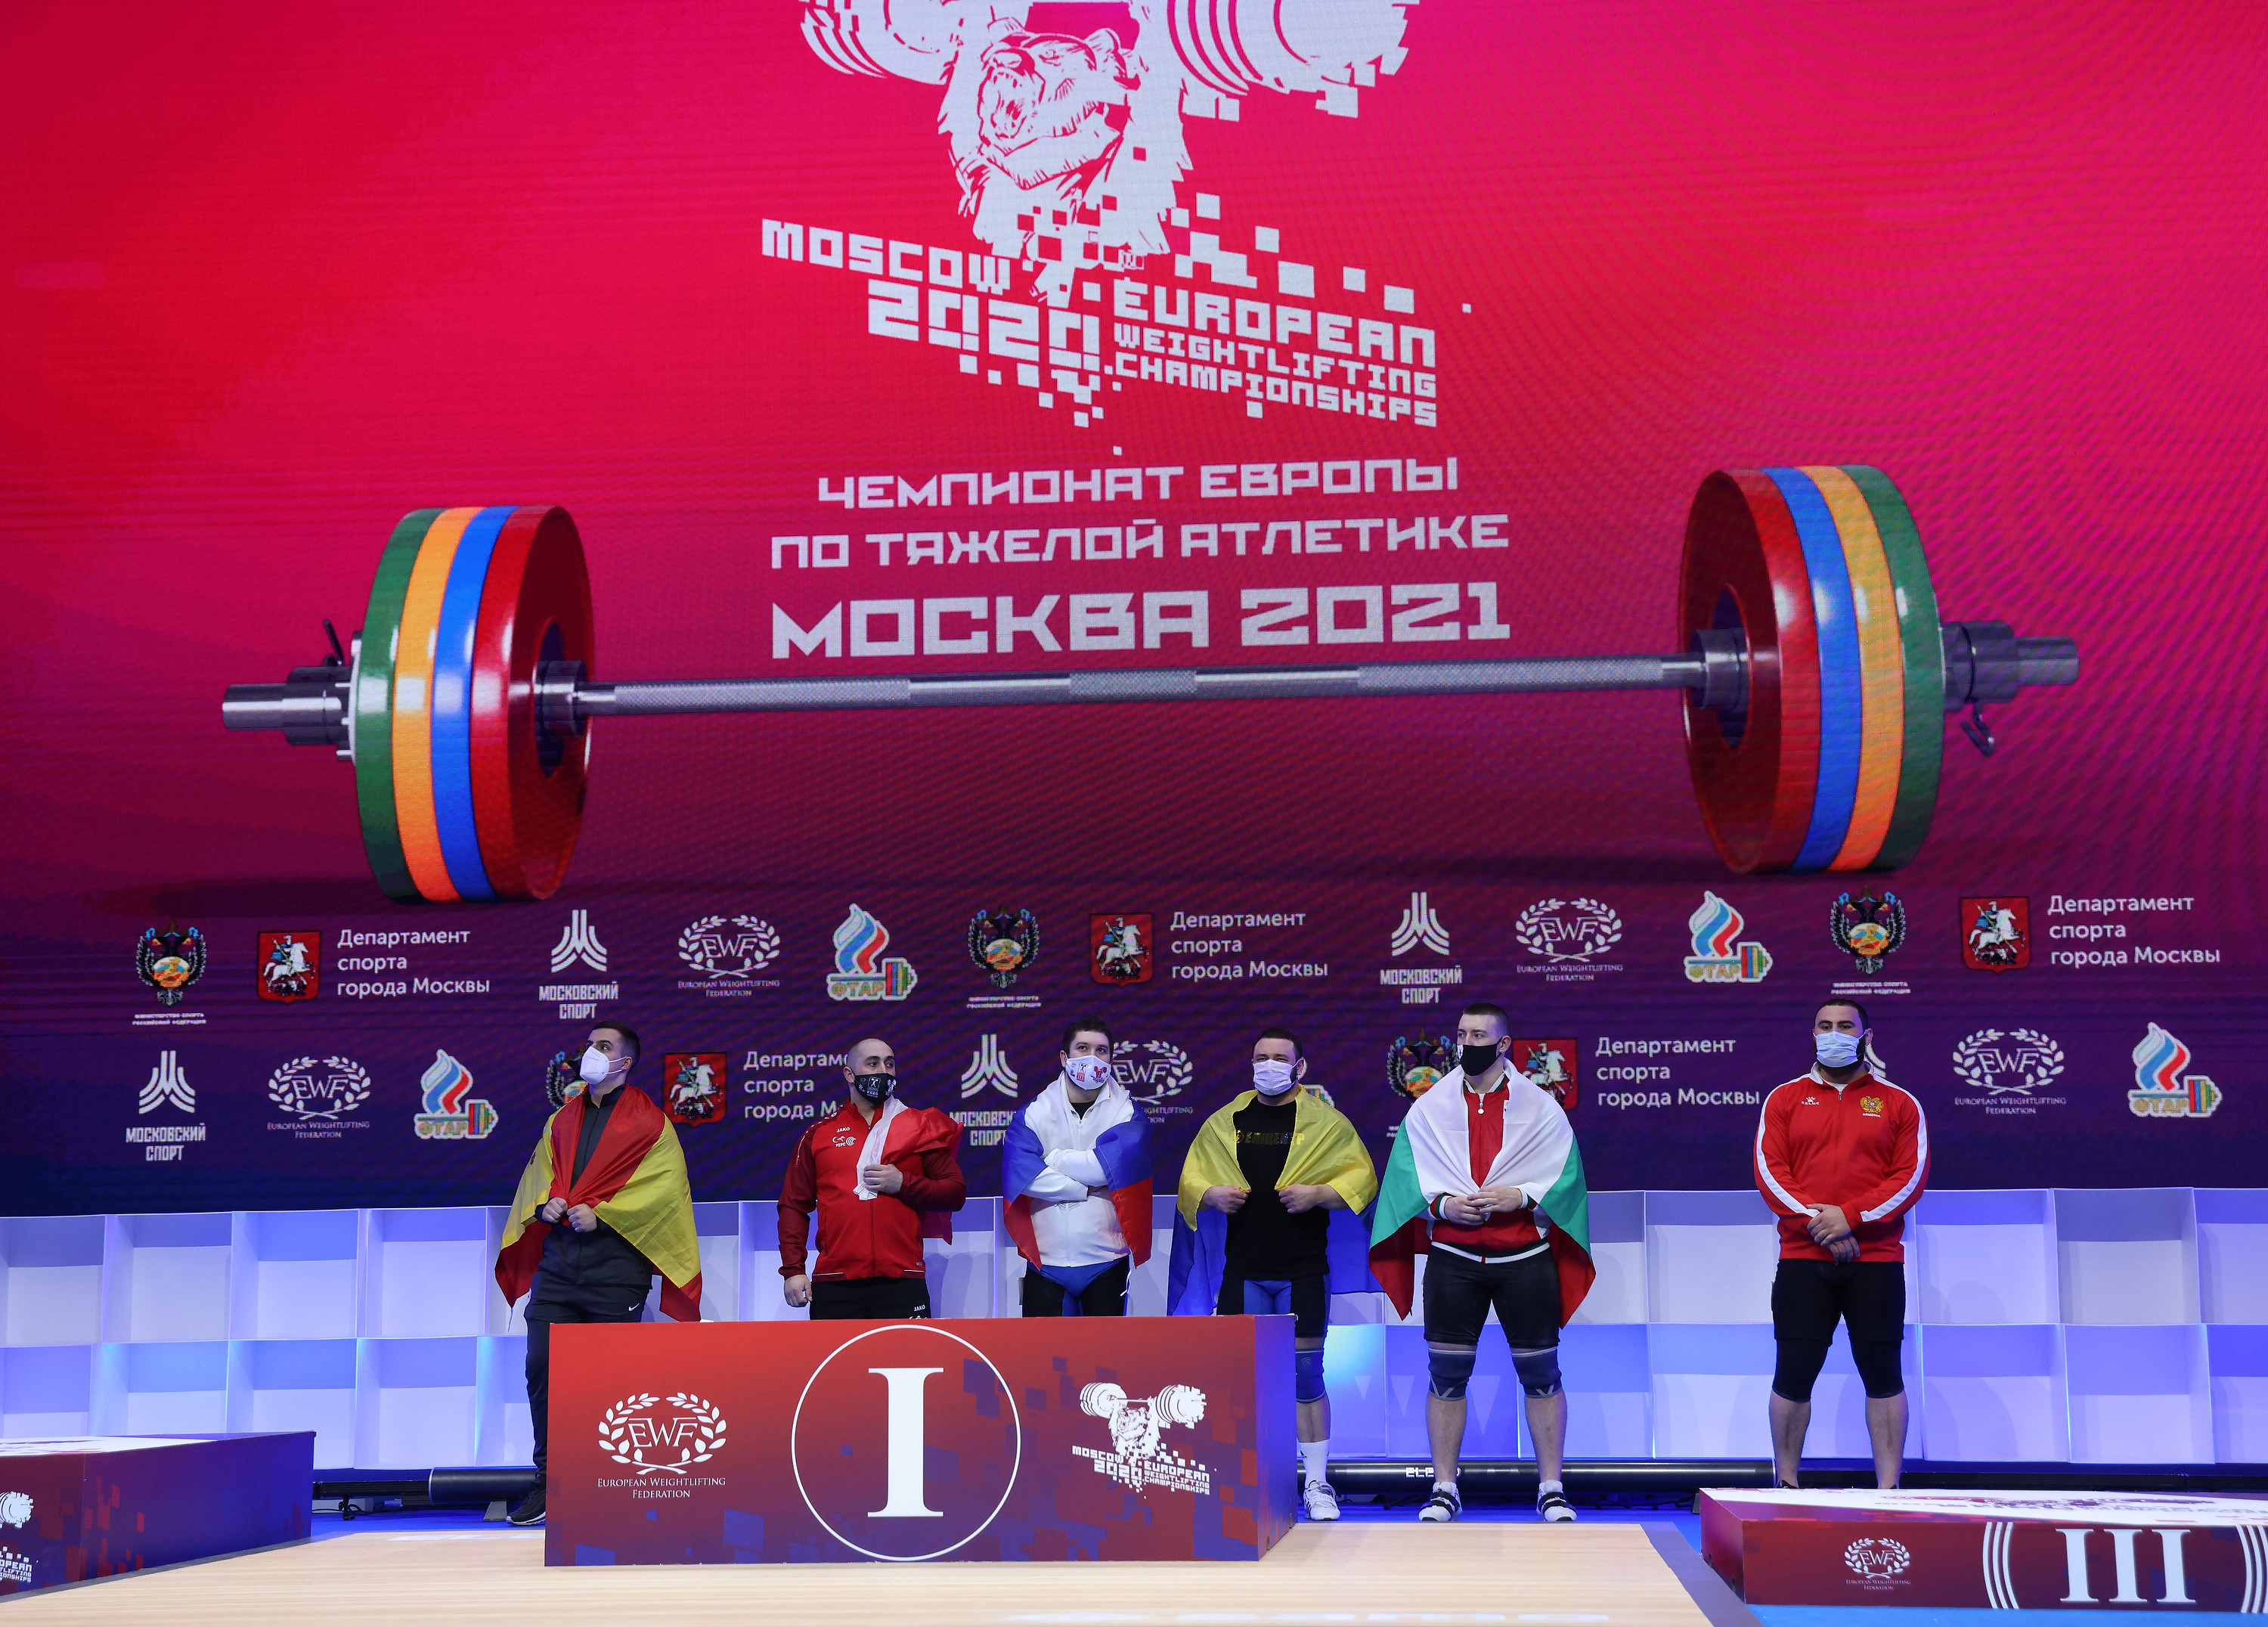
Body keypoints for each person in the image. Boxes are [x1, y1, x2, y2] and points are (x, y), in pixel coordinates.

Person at [1368, 1001, 1594, 1524]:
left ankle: (1552, 1488)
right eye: (1461, 1034)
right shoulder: (1428, 1108)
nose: (1466, 1044)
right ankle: (1444, 1488)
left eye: (1477, 1035)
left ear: (1503, 1044)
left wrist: (1524, 1196)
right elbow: (1406, 1181)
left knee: (1541, 1372)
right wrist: (1444, 1206)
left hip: (1524, 1256)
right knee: (1446, 1374)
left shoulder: (1541, 1107)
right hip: (1454, 1257)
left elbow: (1566, 1177)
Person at [494, 1021, 701, 1526]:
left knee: (612, 1384)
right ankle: (549, 1481)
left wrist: (604, 1214)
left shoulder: (652, 1124)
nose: (591, 1052)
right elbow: (540, 1178)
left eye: (603, 1046)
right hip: (558, 1270)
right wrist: (546, 1205)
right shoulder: (561, 1118)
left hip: (616, 1274)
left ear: (624, 1062)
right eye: (590, 1045)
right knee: (541, 1372)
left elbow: (664, 1195)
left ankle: (607, 1483)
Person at [1174, 1027, 1377, 1521]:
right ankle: (1249, 1483)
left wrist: (1320, 1194)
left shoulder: (1327, 1124)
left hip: (1302, 1269)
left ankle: (1317, 1484)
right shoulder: (1226, 1121)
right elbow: (1191, 1179)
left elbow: (1363, 1180)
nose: (1269, 1065)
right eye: (1261, 1057)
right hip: (1244, 1270)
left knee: (1307, 1377)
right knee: (1242, 1381)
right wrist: (1210, 1195)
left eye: (1280, 1058)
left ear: (1300, 1067)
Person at [1753, 999, 1929, 1489]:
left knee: (1884, 1374)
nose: (1834, 1033)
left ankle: (1889, 1491)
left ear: (1866, 1038)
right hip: (1803, 1259)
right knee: (1793, 1372)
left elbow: (1910, 1177)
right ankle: (1786, 1485)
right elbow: (1770, 1172)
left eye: (1845, 1026)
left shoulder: (1899, 1103)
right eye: (1825, 1026)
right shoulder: (1784, 1099)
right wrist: (1821, 1224)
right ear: (1813, 1035)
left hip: (1876, 1260)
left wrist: (1849, 1218)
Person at [779, 1037, 966, 1319]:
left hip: (902, 1279)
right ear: (849, 1074)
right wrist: (793, 1270)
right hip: (835, 1282)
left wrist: (904, 1184)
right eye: (873, 1063)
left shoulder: (920, 1127)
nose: (884, 1071)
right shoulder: (818, 1135)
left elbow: (955, 1192)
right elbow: (793, 1206)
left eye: (890, 1064)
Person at [1002, 1017, 1154, 1316]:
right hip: (1046, 1263)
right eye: (1082, 1048)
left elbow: (1105, 1169)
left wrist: (1054, 1159)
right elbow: (1026, 1178)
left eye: (1101, 1051)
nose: (1092, 1058)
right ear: (1065, 1058)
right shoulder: (1034, 1113)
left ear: (1111, 1059)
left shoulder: (1127, 1112)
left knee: (1106, 1348)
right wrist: (1086, 1189)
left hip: (1107, 1261)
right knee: (1045, 1348)